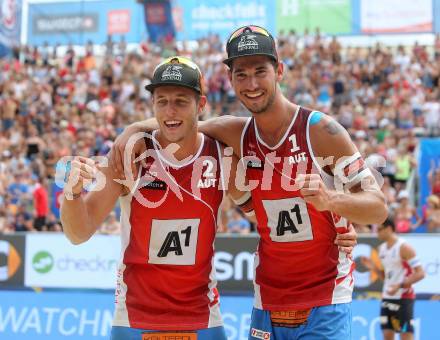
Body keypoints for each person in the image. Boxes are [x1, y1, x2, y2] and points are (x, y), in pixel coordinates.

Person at [110, 26, 385, 339]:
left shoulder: (322, 131)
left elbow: (378, 208)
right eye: (241, 74)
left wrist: (332, 202)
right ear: (230, 81)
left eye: (260, 71)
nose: (251, 84)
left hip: (325, 299)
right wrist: (131, 129)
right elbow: (181, 124)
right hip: (267, 301)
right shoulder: (234, 133)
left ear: (279, 71)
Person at [61, 56, 252, 340]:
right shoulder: (129, 154)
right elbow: (78, 234)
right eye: (161, 101)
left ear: (200, 105)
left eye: (180, 101)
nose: (170, 111)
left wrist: (336, 226)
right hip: (135, 318)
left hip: (202, 317)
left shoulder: (222, 157)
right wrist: (73, 194)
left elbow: (266, 216)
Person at [362, 219, 425, 340]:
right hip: (387, 297)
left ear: (389, 229)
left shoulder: (404, 247)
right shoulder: (381, 249)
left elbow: (420, 273)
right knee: (387, 334)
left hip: (403, 298)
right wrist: (373, 268)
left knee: (405, 334)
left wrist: (399, 285)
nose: (377, 233)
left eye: (380, 230)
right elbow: (386, 277)